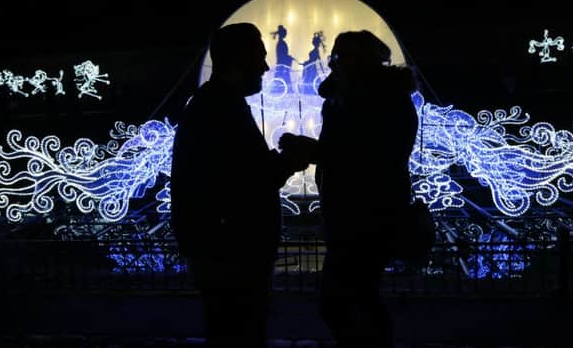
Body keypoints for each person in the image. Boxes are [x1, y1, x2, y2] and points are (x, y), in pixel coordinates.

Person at [170, 23, 308, 348]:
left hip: (222, 248)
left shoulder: (213, 104)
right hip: (232, 252)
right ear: (236, 59)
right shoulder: (220, 108)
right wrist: (290, 160)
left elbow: (238, 174)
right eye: (258, 58)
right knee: (239, 331)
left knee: (229, 329)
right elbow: (249, 181)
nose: (264, 67)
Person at [280, 30, 419, 348]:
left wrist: (312, 150)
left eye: (342, 58)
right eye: (334, 58)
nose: (333, 64)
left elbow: (371, 158)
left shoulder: (383, 102)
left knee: (344, 300)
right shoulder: (345, 99)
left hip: (368, 214)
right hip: (346, 212)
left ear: (365, 62)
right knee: (360, 298)